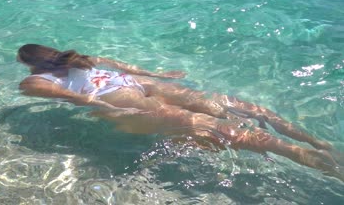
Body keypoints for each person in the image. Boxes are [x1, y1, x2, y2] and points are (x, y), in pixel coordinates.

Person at [17, 43, 344, 181]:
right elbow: (126, 67)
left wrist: (108, 109)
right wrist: (161, 77)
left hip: (122, 99)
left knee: (229, 133)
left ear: (29, 63)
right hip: (138, 83)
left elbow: (80, 100)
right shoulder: (83, 58)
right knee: (243, 110)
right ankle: (320, 145)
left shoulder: (33, 82)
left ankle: (328, 167)